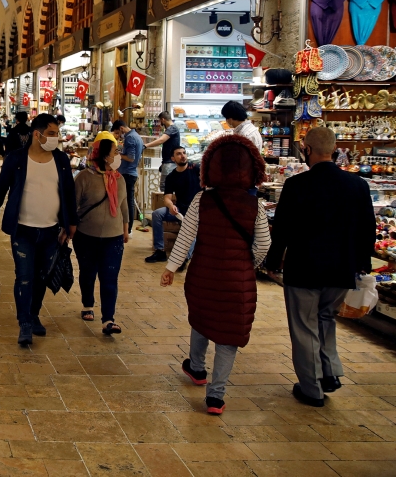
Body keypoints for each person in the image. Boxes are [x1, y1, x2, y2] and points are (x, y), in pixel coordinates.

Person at [160, 134, 270, 415]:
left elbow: (186, 236)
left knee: (202, 317)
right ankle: (216, 397)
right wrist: (249, 263)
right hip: (238, 279)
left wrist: (171, 268)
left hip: (204, 273)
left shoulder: (202, 199)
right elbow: (264, 244)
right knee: (229, 334)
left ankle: (197, 368)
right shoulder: (254, 205)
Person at [265, 127, 375, 408]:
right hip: (341, 270)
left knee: (304, 326)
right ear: (335, 150)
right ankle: (330, 372)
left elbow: (282, 230)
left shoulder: (297, 185)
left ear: (308, 150)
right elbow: (367, 230)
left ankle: (311, 387)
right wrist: (362, 264)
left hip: (305, 268)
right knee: (326, 319)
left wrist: (273, 262)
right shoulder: (358, 186)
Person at [0, 114, 77, 345]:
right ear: (38, 134)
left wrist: (71, 223)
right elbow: (1, 188)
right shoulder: (17, 158)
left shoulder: (61, 160)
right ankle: (24, 322)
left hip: (51, 231)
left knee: (41, 276)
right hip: (23, 230)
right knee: (24, 277)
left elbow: (68, 193)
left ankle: (34, 314)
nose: (56, 138)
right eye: (53, 133)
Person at [73, 137, 129, 335]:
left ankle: (108, 319)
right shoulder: (84, 178)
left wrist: (125, 227)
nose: (118, 156)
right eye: (115, 152)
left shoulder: (119, 179)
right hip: (86, 235)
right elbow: (73, 205)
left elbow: (123, 204)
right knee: (88, 273)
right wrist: (69, 228)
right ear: (105, 156)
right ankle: (88, 304)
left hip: (113, 237)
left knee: (109, 278)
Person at [145, 147, 200, 263]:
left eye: (184, 153)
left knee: (192, 230)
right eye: (179, 154)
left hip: (197, 210)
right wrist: (171, 206)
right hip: (180, 210)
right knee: (157, 214)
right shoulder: (171, 177)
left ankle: (184, 258)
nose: (183, 156)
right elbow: (167, 198)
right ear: (173, 158)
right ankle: (160, 251)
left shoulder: (196, 169)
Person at [111, 120, 143, 233]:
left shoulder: (130, 138)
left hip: (128, 174)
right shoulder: (136, 136)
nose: (119, 135)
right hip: (130, 172)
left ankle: (127, 228)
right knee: (128, 200)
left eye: (118, 132)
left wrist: (117, 154)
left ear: (121, 128)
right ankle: (127, 228)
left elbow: (131, 158)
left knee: (127, 202)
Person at [144, 111, 181, 191]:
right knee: (166, 187)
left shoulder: (172, 128)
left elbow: (161, 140)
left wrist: (146, 145)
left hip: (169, 163)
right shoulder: (171, 128)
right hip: (168, 162)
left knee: (165, 188)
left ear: (163, 119)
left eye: (160, 121)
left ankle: (166, 203)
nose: (160, 123)